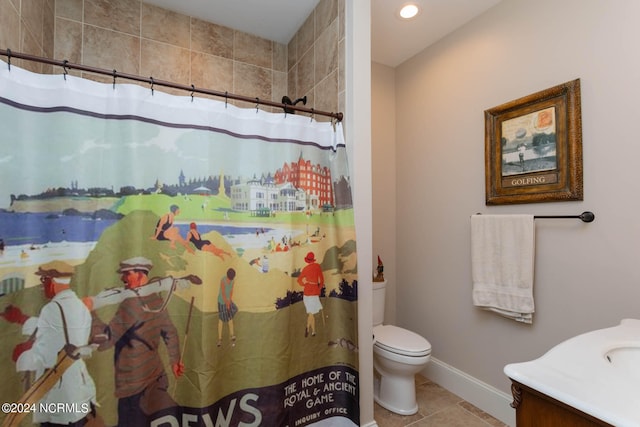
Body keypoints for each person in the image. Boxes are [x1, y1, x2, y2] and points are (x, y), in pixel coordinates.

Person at [2, 261, 99, 426]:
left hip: (59, 392)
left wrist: (22, 355)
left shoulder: (51, 309)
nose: (42, 285)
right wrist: (21, 319)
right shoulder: (79, 306)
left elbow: (46, 358)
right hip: (78, 387)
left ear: (52, 282)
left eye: (43, 280)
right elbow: (61, 330)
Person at [90, 256, 184, 426]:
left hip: (135, 386)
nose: (122, 278)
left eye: (127, 274)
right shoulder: (155, 299)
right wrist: (175, 360)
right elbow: (170, 332)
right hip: (156, 379)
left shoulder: (132, 303)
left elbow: (105, 340)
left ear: (141, 275)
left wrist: (90, 312)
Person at [296, 252, 325, 337]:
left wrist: (305, 284)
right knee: (311, 313)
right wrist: (318, 288)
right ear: (313, 259)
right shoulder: (317, 267)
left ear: (307, 260)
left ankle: (313, 331)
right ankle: (308, 328)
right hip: (314, 293)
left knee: (311, 313)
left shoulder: (305, 268)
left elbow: (299, 280)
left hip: (307, 293)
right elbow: (322, 281)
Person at [217, 268, 238, 347]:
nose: (231, 279)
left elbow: (231, 290)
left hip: (228, 300)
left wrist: (229, 301)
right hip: (221, 302)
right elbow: (222, 293)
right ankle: (219, 338)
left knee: (230, 317)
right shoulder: (223, 280)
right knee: (221, 319)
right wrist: (226, 303)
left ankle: (232, 335)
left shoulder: (232, 281)